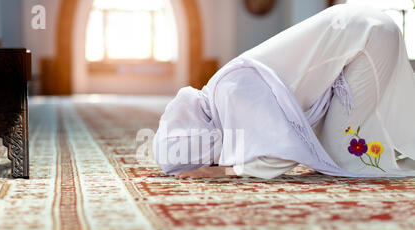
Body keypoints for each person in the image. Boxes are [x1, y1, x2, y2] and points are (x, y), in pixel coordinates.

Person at [153, 4, 415, 179]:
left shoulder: (233, 95)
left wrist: (226, 171)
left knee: (342, 153)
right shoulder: (221, 91)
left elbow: (283, 152)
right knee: (336, 143)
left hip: (369, 37)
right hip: (365, 27)